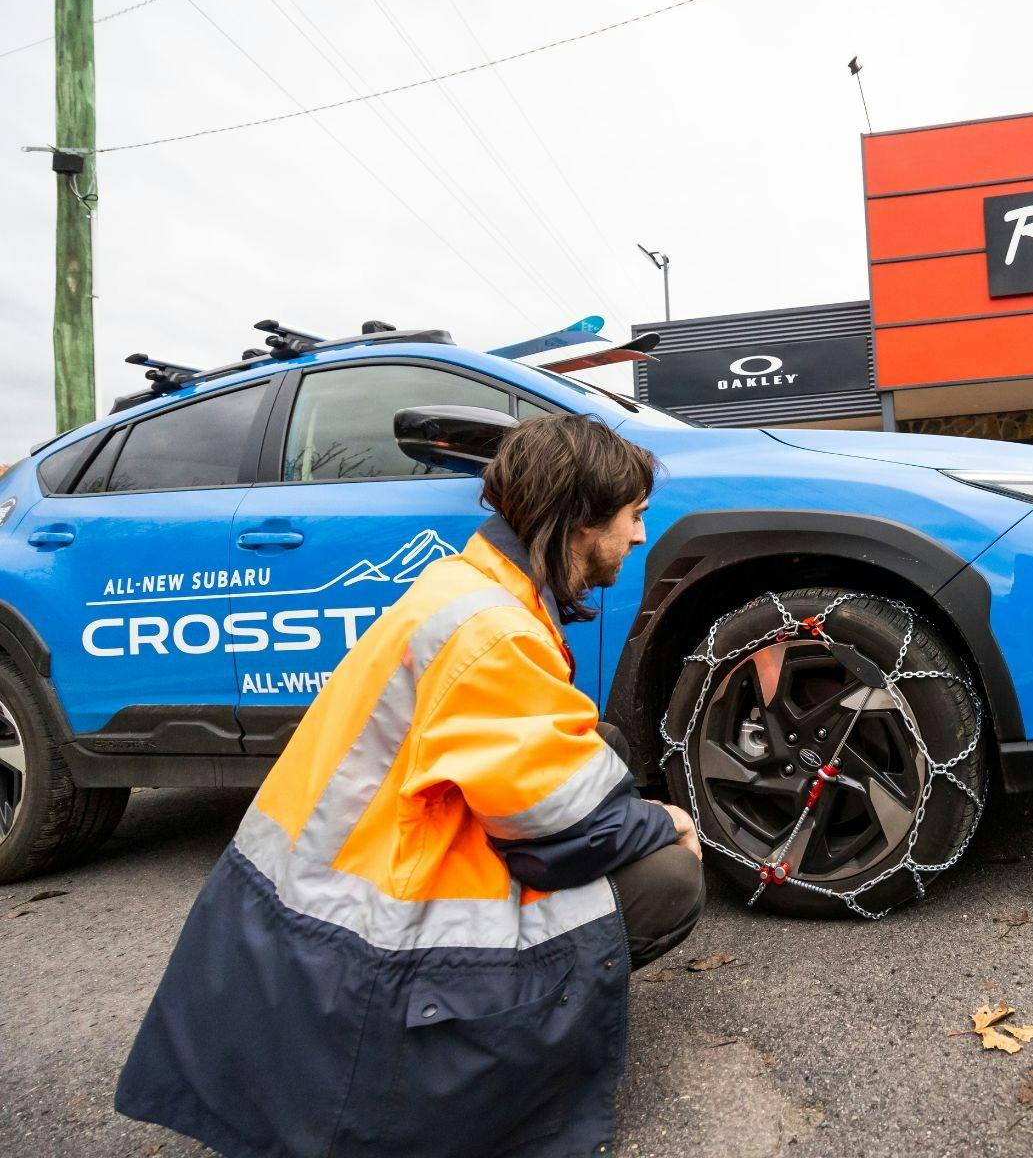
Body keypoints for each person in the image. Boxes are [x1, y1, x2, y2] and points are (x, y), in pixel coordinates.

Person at [116, 415, 704, 1158]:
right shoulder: (495, 633)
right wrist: (664, 820)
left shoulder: (464, 585)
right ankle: (480, 1062)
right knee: (669, 875)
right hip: (357, 958)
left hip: (298, 923)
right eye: (634, 517)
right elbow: (565, 841)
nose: (641, 537)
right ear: (582, 518)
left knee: (605, 751)